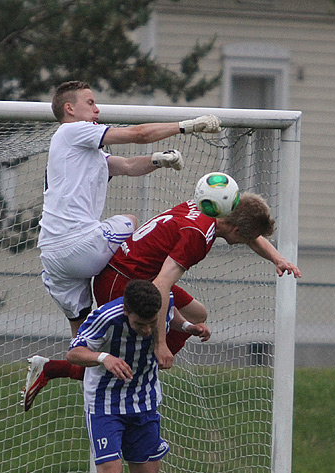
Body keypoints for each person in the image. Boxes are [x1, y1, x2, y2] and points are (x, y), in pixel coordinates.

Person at [22, 191, 300, 408]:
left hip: (137, 273)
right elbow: (161, 286)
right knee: (126, 361)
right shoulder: (197, 238)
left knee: (197, 314)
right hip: (123, 282)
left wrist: (277, 258)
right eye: (247, 239)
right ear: (236, 231)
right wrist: (161, 344)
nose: (246, 243)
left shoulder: (207, 206)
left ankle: (142, 366)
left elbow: (249, 232)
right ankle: (52, 369)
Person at [38, 80, 220, 340]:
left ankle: (54, 368)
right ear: (69, 108)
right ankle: (155, 288)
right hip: (79, 246)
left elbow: (127, 165)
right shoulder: (72, 131)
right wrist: (186, 126)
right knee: (131, 222)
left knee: (82, 338)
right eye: (90, 103)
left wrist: (158, 160)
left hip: (52, 258)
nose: (97, 110)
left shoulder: (79, 151)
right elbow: (139, 134)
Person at [66, 279, 209, 473]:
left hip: (144, 406)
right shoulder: (106, 317)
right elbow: (74, 353)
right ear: (126, 311)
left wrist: (189, 329)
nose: (147, 330)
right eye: (140, 324)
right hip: (106, 406)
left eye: (151, 324)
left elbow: (175, 319)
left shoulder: (162, 304)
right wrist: (104, 358)